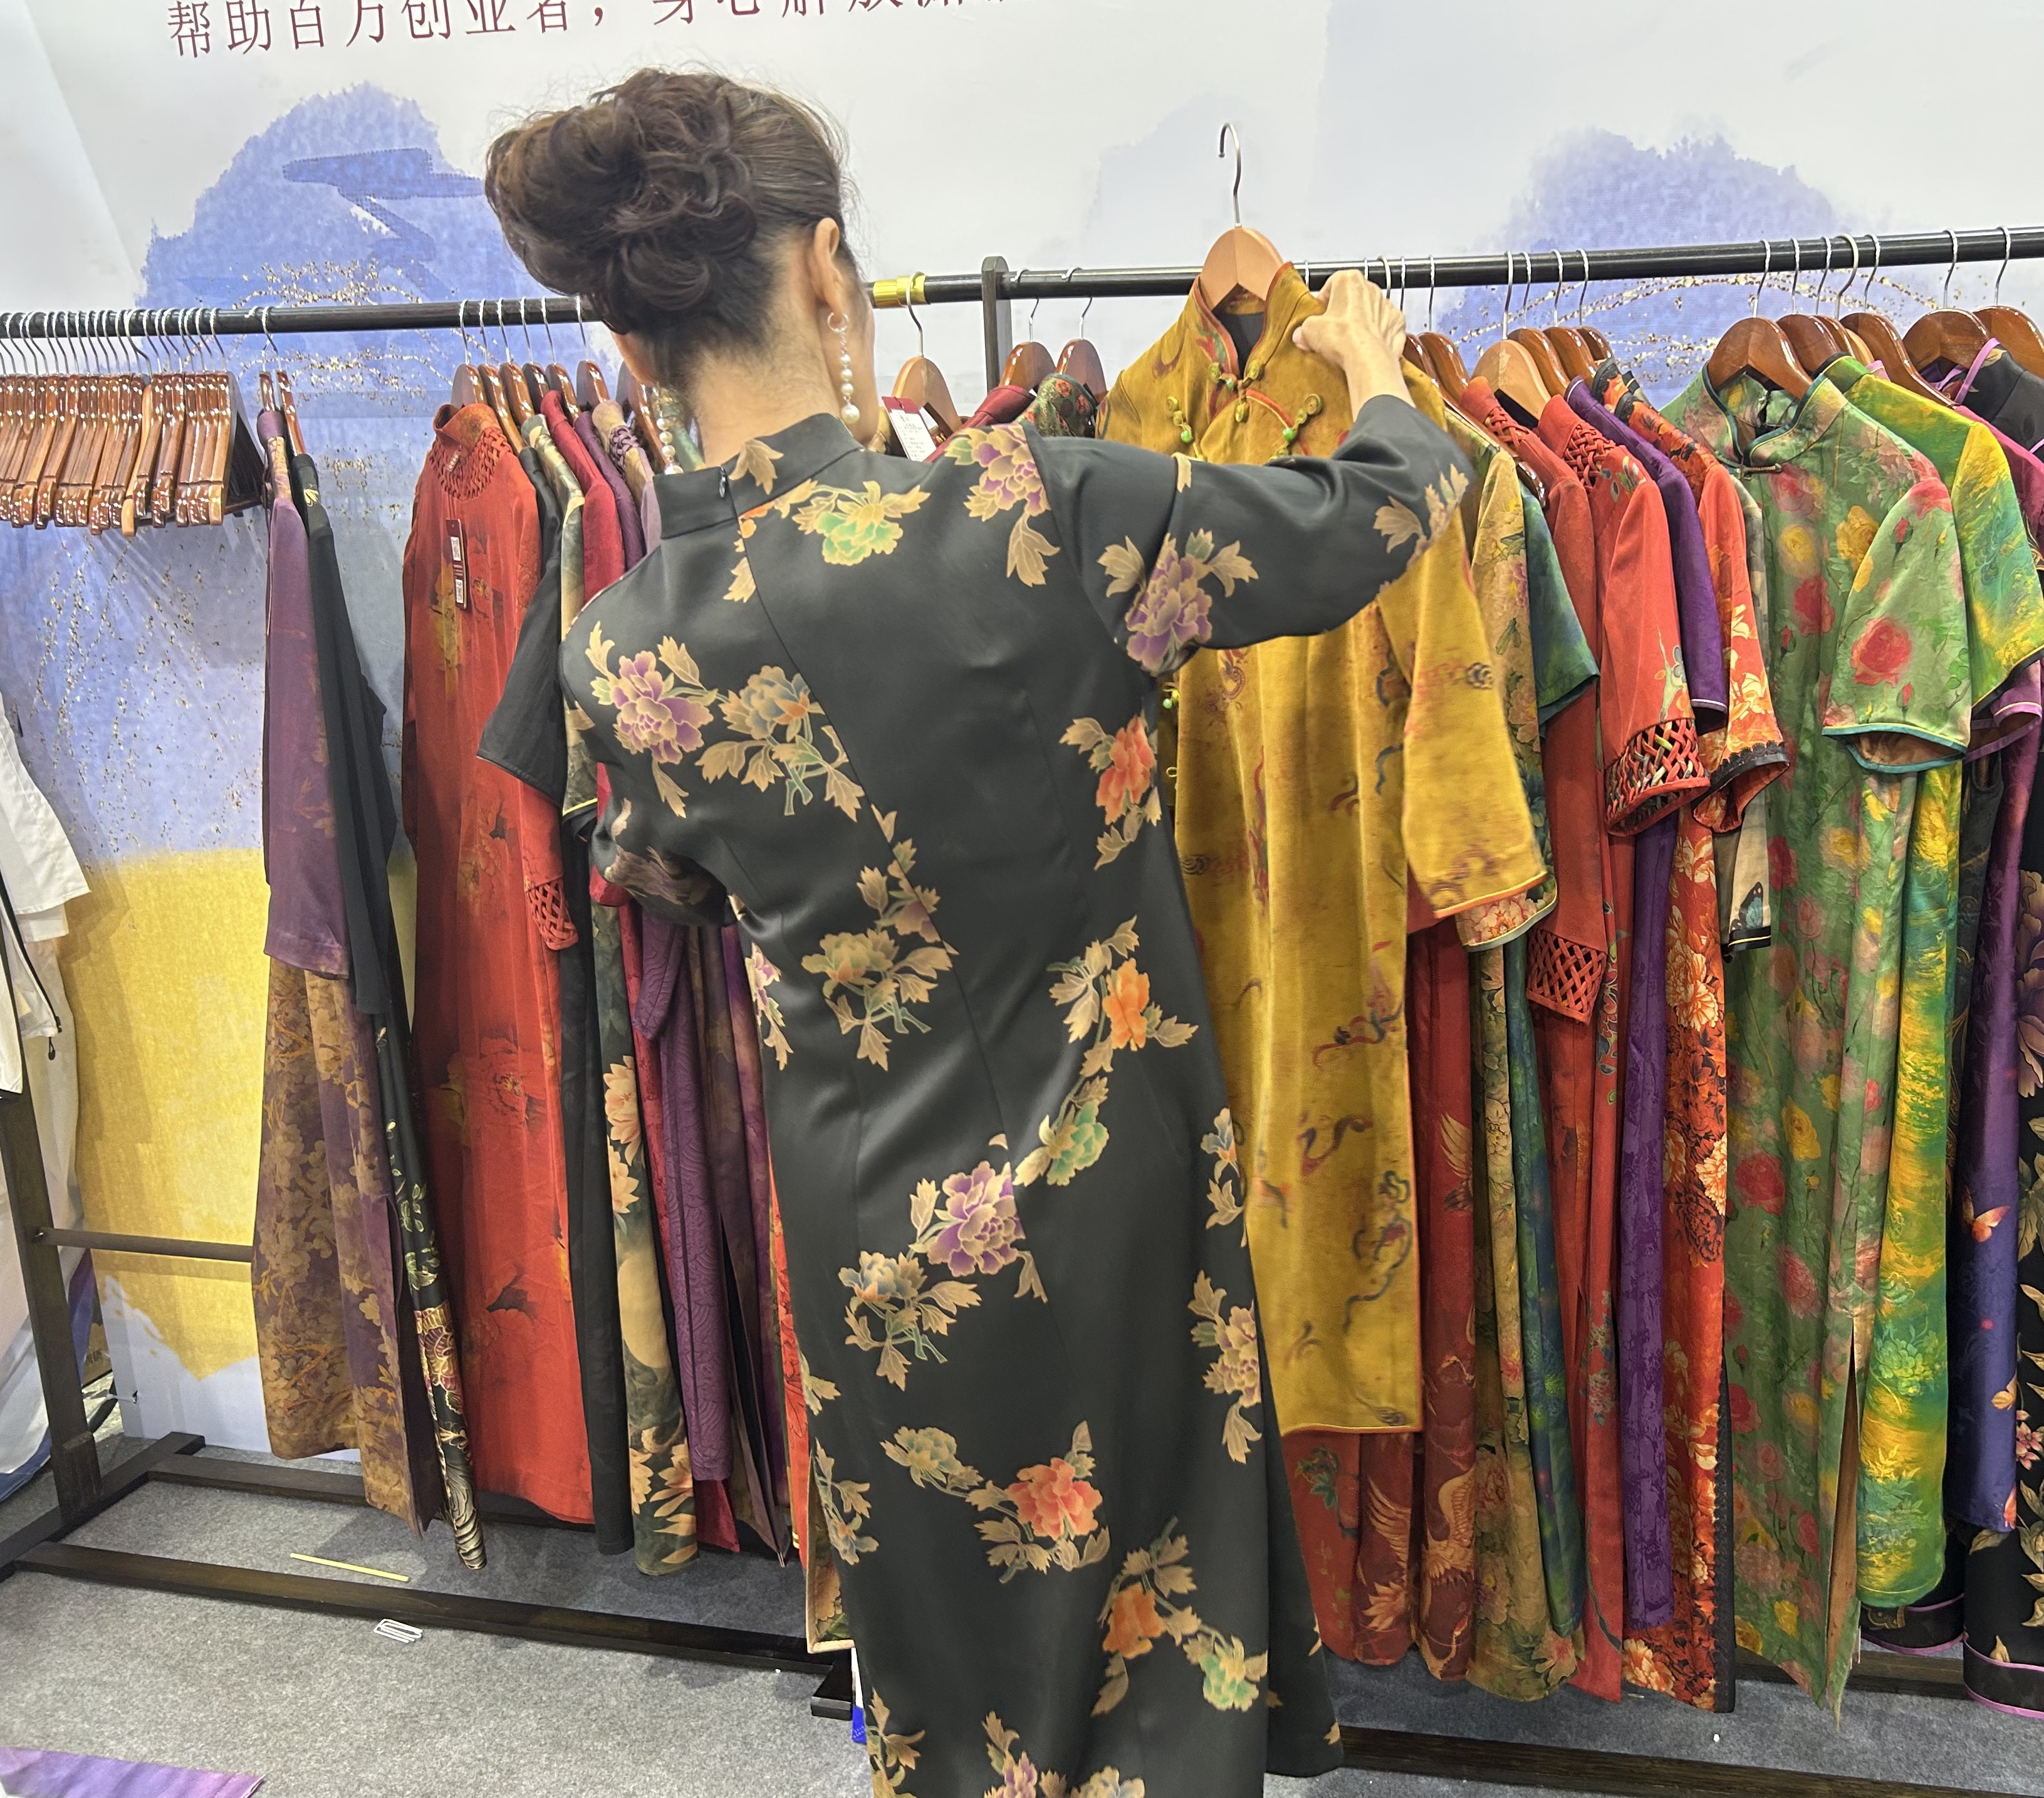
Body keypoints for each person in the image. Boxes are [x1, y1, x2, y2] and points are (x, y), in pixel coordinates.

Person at [483, 68, 1464, 1795]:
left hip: (865, 1211)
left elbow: (683, 885)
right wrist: (1377, 377)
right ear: (828, 271)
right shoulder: (1042, 515)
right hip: (1104, 1179)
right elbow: (1380, 514)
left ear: (631, 345)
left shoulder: (621, 641)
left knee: (944, 1619)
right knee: (1144, 1587)